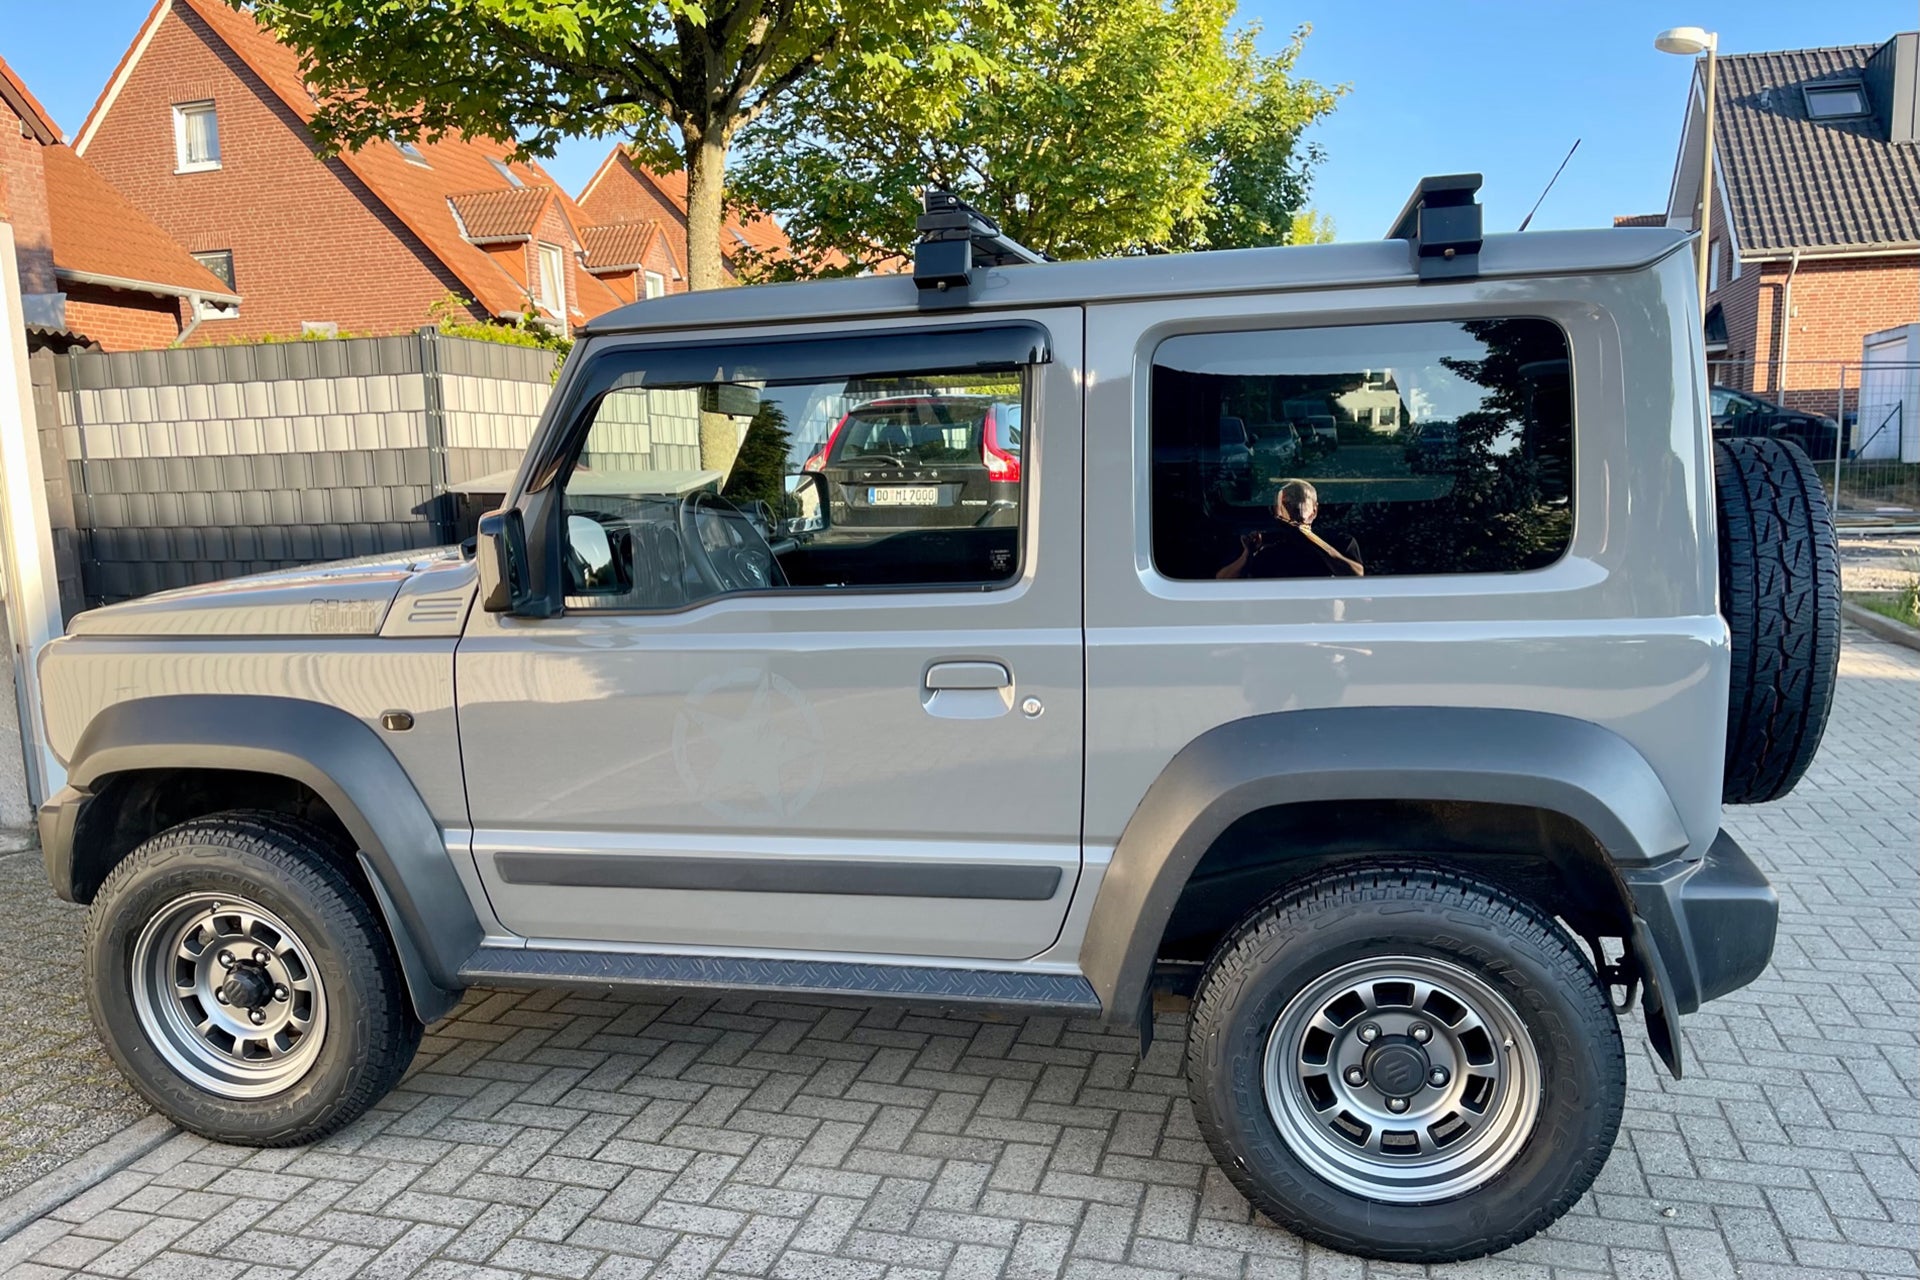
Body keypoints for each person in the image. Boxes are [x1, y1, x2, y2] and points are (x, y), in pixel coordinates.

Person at [1217, 479, 1365, 579]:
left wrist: (1308, 537)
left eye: (1299, 501)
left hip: (1323, 623)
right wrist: (1248, 555)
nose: (1293, 507)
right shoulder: (1259, 541)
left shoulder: (1339, 541)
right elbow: (1222, 580)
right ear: (1275, 510)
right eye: (1286, 503)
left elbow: (1356, 575)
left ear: (1314, 510)